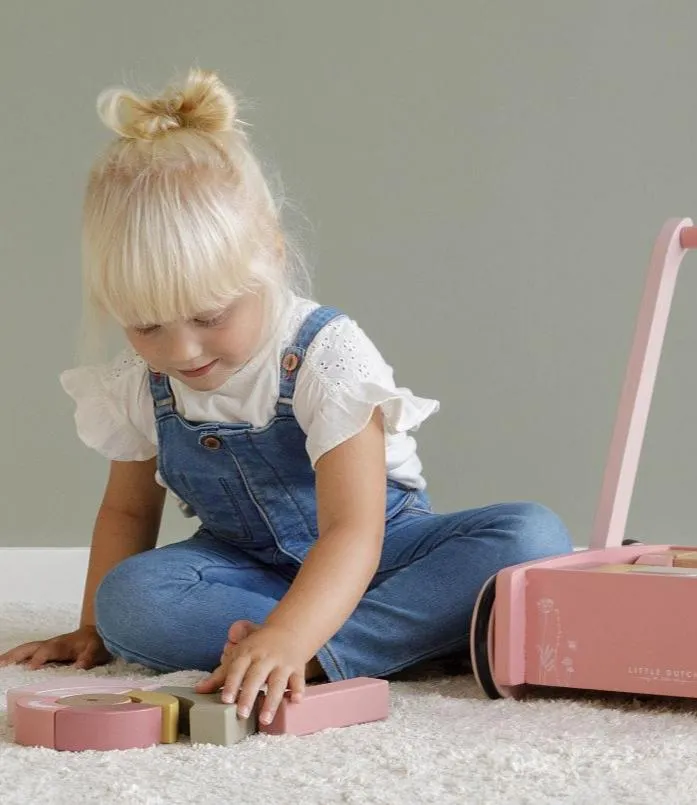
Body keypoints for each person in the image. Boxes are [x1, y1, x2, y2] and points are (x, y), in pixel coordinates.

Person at [0, 69, 572, 726]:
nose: (183, 352)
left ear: (268, 254)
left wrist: (294, 634)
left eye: (210, 316)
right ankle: (384, 639)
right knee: (130, 599)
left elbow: (354, 530)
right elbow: (126, 513)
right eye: (148, 325)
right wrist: (90, 628)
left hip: (381, 552)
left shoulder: (325, 355)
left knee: (531, 537)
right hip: (249, 571)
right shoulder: (142, 381)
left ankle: (320, 649)